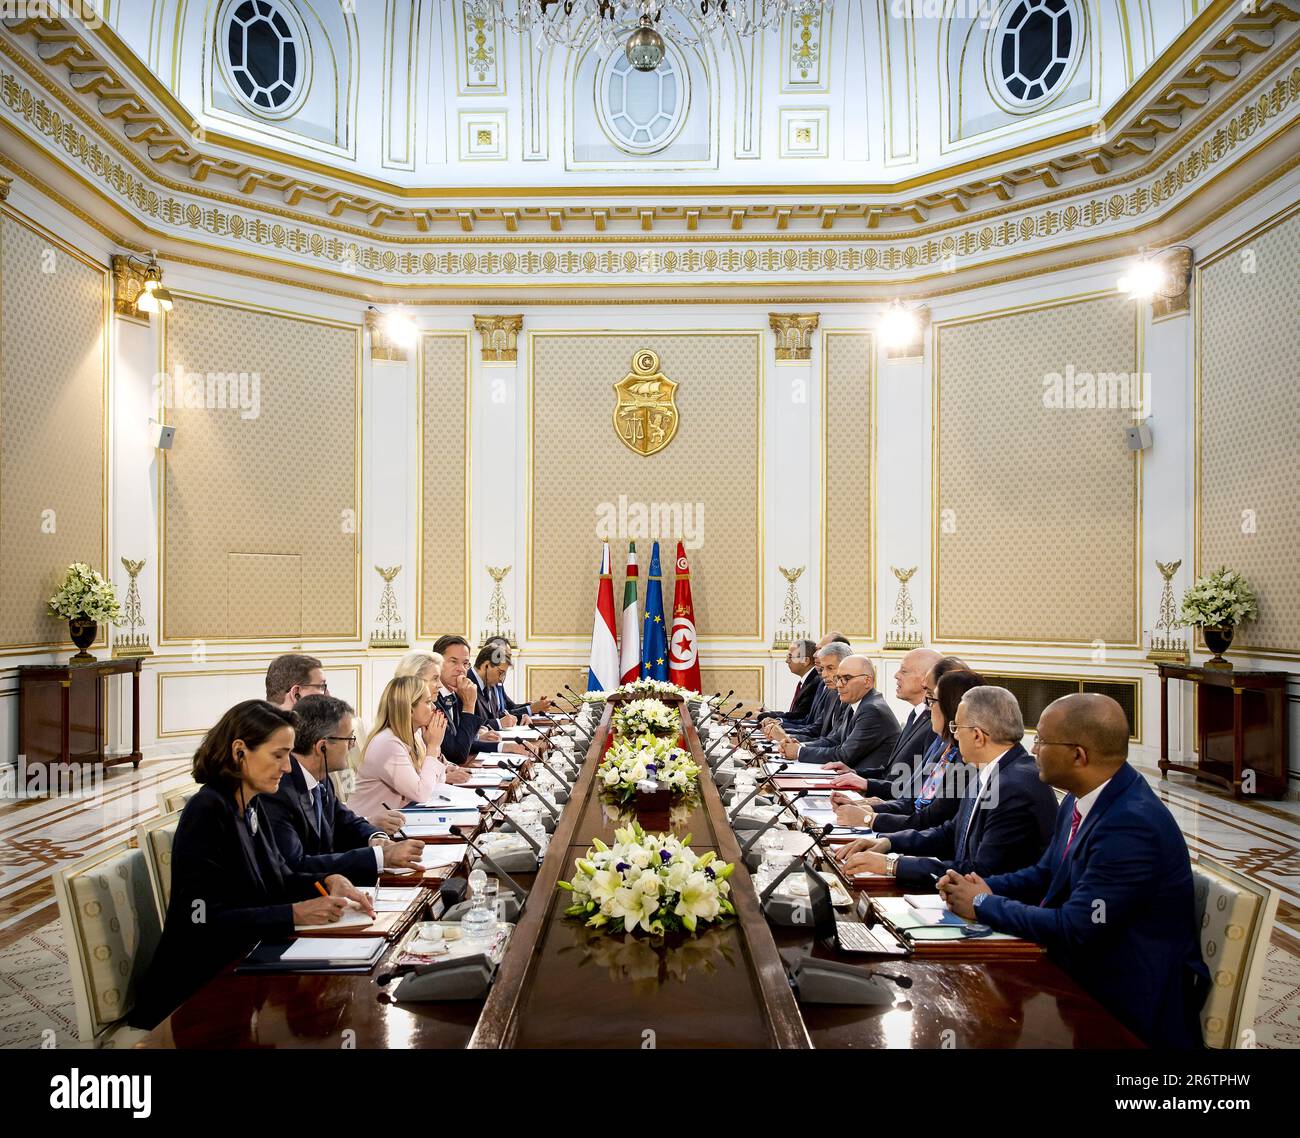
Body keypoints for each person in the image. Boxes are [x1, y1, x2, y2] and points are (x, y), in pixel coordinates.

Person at [938, 693, 1210, 1049]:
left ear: (1078, 756)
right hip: (1082, 969)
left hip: (1124, 1001)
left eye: (1042, 741)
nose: (1033, 749)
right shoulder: (1080, 797)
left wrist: (984, 905)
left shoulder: (1129, 825)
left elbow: (1076, 927)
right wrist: (982, 885)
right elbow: (1045, 873)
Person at [129, 700, 374, 1029]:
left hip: (245, 964)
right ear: (240, 751)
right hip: (197, 990)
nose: (287, 767)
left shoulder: (251, 805)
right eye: (278, 755)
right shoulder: (208, 811)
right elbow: (202, 918)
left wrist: (329, 880)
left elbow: (282, 877)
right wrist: (293, 914)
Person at [835, 686, 1056, 889]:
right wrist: (887, 842)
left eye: (957, 727)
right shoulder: (988, 768)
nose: (955, 735)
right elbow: (951, 832)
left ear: (978, 736)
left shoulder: (1014, 786)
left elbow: (980, 873)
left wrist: (893, 865)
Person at [262, 695, 425, 882]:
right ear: (322, 747)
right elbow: (297, 864)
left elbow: (344, 821)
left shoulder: (321, 778)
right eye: (349, 739)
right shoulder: (278, 791)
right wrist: (381, 857)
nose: (353, 745)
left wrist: (376, 838)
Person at [832, 667, 985, 834]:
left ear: (950, 708)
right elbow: (914, 801)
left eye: (931, 700)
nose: (928, 707)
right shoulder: (946, 749)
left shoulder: (966, 761)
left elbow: (929, 821)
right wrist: (869, 808)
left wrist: (869, 818)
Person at [819, 647, 940, 789]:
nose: (896, 675)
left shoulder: (934, 724)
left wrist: (869, 792)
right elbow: (893, 772)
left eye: (904, 671)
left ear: (926, 678)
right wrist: (855, 773)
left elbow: (915, 789)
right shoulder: (916, 715)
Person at [349, 675, 453, 816]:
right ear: (409, 709)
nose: (434, 707)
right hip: (370, 830)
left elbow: (438, 783)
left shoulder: (415, 735)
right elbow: (421, 794)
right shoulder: (388, 744)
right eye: (428, 702)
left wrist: (434, 748)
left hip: (399, 823)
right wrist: (433, 747)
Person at [779, 655, 900, 775]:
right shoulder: (856, 703)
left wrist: (799, 752)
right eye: (838, 678)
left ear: (867, 681)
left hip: (868, 787)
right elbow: (834, 740)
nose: (839, 685)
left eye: (846, 678)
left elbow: (844, 755)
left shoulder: (872, 710)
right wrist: (800, 745)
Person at [763, 642, 851, 744]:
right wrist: (785, 736)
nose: (824, 675)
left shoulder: (857, 702)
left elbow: (836, 744)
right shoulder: (832, 693)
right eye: (823, 669)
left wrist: (796, 747)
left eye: (830, 668)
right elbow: (816, 728)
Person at [431, 635, 487, 765]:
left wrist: (502, 747)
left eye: (465, 663)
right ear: (437, 664)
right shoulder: (431, 700)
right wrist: (469, 705)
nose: (461, 669)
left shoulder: (457, 693)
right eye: (453, 661)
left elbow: (464, 741)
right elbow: (457, 755)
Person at [756, 639, 821, 725]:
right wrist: (769, 713)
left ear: (805, 661)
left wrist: (765, 715)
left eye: (790, 656)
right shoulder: (809, 680)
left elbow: (800, 716)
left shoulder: (815, 683)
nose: (786, 660)